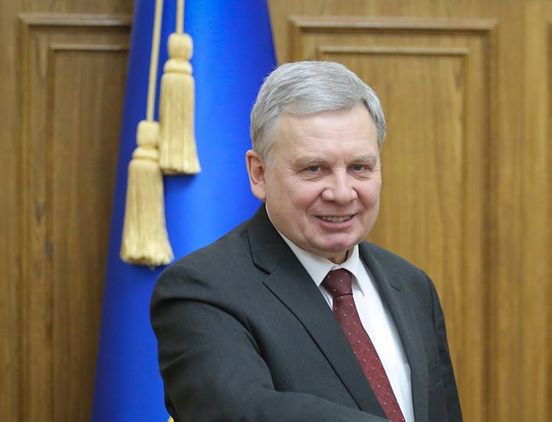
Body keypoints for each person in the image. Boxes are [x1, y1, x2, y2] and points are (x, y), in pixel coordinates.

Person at [151, 61, 462, 422]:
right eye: (314, 169)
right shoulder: (202, 289)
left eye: (359, 167)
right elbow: (238, 410)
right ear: (259, 173)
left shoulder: (411, 285)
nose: (342, 193)